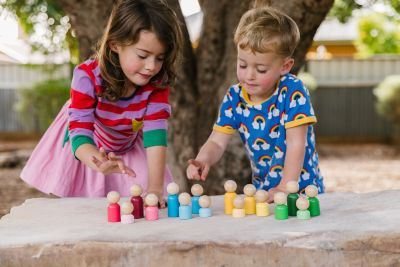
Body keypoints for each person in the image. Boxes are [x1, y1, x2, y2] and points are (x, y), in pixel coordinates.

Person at [20, 0, 183, 207]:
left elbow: (156, 135)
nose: (152, 67)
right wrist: (96, 160)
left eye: (160, 58)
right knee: (83, 204)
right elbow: (80, 132)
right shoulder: (86, 77)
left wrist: (155, 189)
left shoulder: (156, 84)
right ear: (115, 44)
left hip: (128, 140)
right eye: (143, 55)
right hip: (86, 139)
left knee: (141, 192)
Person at [186, 6, 324, 203]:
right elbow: (217, 141)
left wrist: (286, 187)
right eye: (242, 65)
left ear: (284, 66)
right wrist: (203, 159)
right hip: (265, 192)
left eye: (260, 69)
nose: (248, 75)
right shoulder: (235, 97)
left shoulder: (293, 90)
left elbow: (296, 142)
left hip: (303, 192)